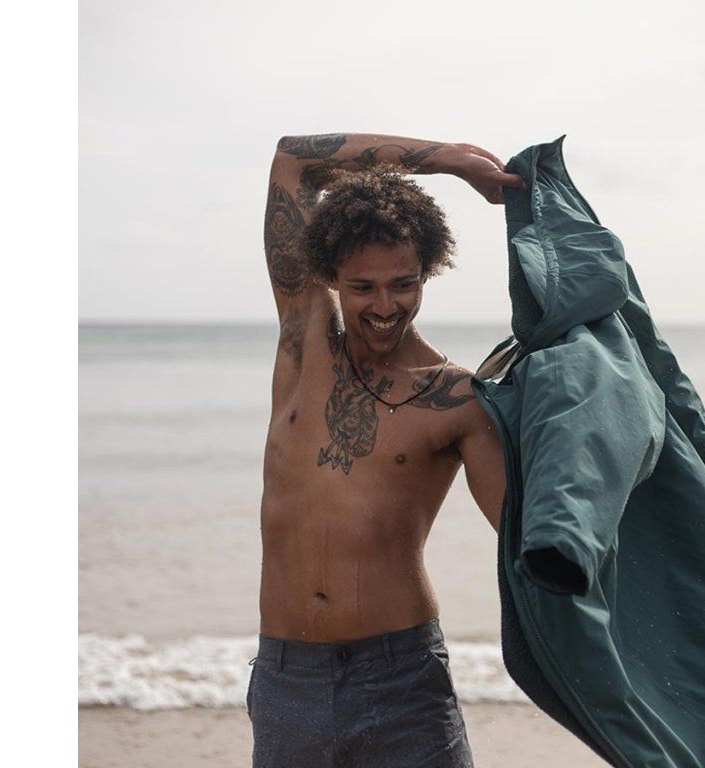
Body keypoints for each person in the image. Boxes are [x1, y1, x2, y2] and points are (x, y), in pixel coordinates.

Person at [246, 133, 526, 768]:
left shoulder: (458, 399)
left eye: (403, 284)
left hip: (401, 679)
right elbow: (293, 159)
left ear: (427, 273)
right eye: (362, 286)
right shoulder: (305, 340)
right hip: (288, 681)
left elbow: (522, 539)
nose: (383, 305)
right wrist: (449, 161)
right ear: (329, 277)